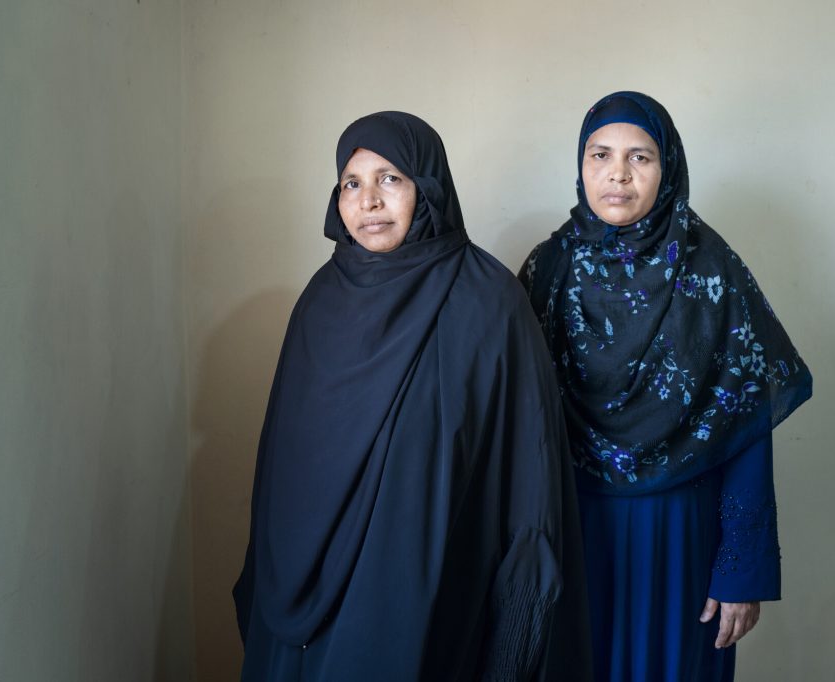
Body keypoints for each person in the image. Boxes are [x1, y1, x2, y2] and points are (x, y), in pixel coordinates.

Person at [232, 111, 591, 681]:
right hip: (301, 587)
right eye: (352, 183)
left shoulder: (489, 300)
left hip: (428, 582)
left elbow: (531, 465)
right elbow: (280, 460)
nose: (368, 201)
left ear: (428, 187)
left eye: (390, 179)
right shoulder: (320, 300)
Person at [518, 92, 813, 681]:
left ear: (668, 167)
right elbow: (517, 419)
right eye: (600, 154)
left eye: (640, 157)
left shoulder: (712, 271)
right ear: (581, 165)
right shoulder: (547, 269)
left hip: (682, 533)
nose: (618, 174)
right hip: (571, 527)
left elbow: (745, 424)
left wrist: (741, 571)